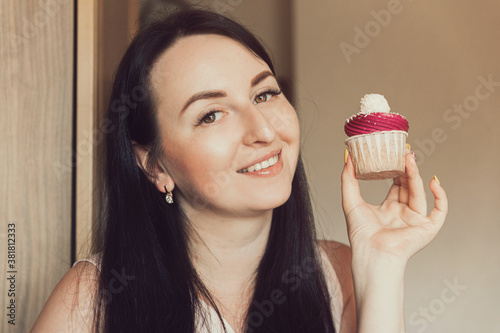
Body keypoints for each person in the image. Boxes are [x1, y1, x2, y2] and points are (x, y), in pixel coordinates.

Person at [30, 9, 447, 333]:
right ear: (155, 164)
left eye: (265, 93)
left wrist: (382, 262)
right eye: (211, 115)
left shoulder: (339, 275)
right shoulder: (91, 300)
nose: (264, 130)